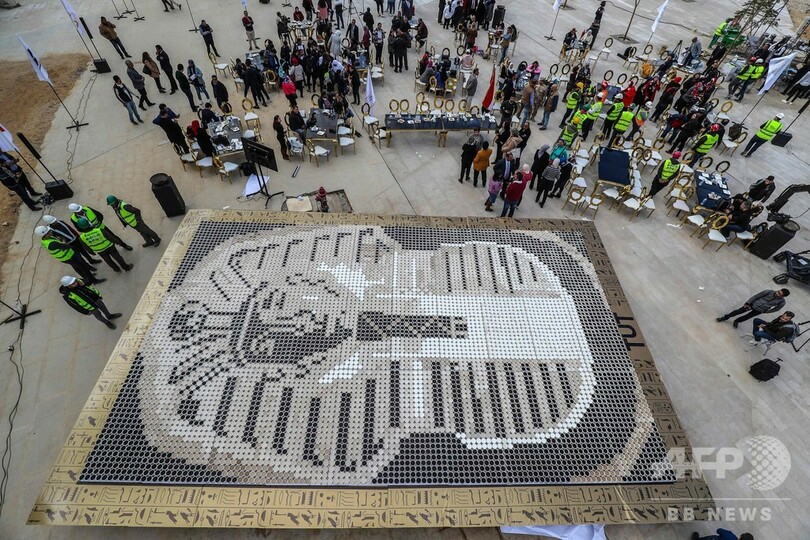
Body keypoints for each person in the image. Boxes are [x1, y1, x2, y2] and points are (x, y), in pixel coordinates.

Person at [36, 227, 101, 284]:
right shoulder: (52, 244)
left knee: (77, 267)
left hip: (66, 257)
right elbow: (66, 246)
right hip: (69, 257)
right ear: (46, 234)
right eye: (49, 231)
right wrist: (63, 240)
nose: (51, 231)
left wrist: (61, 241)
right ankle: (93, 280)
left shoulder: (46, 240)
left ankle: (86, 278)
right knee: (83, 267)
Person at [717, 288, 789, 327]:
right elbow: (756, 296)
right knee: (738, 311)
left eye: (779, 294)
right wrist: (748, 302)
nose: (777, 293)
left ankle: (737, 321)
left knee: (747, 317)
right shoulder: (768, 292)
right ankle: (725, 317)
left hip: (760, 310)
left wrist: (768, 311)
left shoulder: (782, 302)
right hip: (751, 304)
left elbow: (777, 309)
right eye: (778, 291)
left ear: (783, 296)